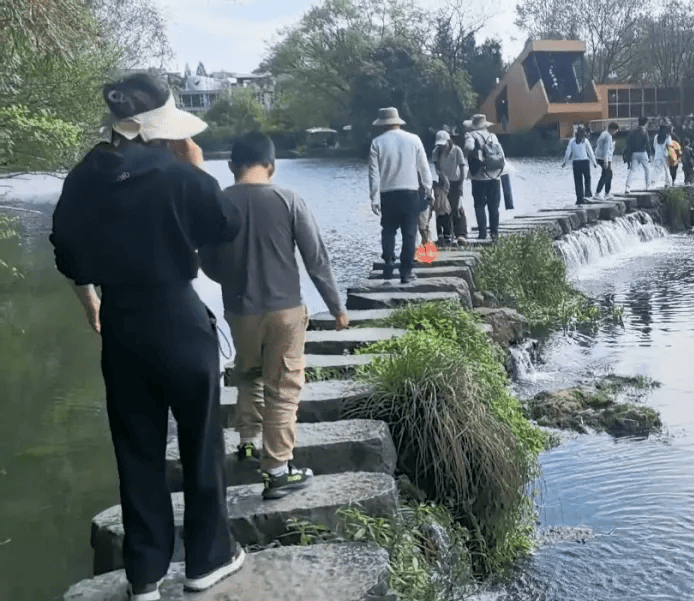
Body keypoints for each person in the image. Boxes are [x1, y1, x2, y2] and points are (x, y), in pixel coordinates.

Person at [50, 73, 245, 600]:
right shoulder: (177, 172)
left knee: (135, 449)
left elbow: (66, 253)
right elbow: (224, 223)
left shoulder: (82, 177)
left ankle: (144, 575)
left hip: (122, 323)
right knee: (201, 441)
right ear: (158, 124)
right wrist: (198, 170)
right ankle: (207, 560)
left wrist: (90, 298)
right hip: (178, 318)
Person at [198, 131, 347, 502]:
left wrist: (232, 281)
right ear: (272, 165)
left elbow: (206, 261)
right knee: (283, 387)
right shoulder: (289, 199)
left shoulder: (218, 204)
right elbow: (317, 259)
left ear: (232, 166)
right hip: (285, 310)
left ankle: (247, 441)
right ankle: (278, 471)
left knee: (247, 373)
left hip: (239, 311)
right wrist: (336, 307)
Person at [369, 107, 433, 282]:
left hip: (388, 194)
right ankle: (406, 272)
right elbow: (424, 168)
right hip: (410, 193)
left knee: (388, 231)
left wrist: (374, 198)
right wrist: (429, 189)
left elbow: (374, 174)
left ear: (382, 125)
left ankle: (389, 263)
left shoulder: (377, 143)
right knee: (409, 233)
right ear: (398, 122)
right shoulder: (414, 139)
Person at [463, 113, 505, 240]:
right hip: (495, 176)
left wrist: (469, 151)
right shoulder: (493, 136)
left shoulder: (470, 135)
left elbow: (468, 146)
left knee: (479, 205)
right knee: (494, 207)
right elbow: (502, 155)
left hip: (479, 177)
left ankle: (482, 233)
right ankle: (494, 233)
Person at [432, 130, 468, 244]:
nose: (442, 147)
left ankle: (461, 234)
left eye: (443, 144)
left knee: (457, 207)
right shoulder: (436, 152)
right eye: (440, 145)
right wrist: (444, 179)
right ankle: (446, 234)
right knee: (443, 208)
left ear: (448, 141)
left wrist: (461, 183)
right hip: (443, 182)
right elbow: (437, 169)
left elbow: (462, 167)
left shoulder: (456, 150)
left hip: (456, 181)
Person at [562, 126, 596, 205]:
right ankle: (587, 195)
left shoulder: (572, 141)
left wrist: (565, 162)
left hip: (576, 163)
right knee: (587, 179)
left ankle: (579, 199)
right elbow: (590, 152)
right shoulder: (585, 141)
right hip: (585, 162)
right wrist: (594, 163)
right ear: (584, 134)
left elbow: (568, 153)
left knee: (578, 182)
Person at [624, 116, 653, 192]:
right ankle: (647, 186)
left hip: (634, 153)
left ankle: (627, 187)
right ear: (645, 123)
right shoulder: (644, 132)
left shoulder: (632, 132)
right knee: (647, 169)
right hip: (643, 153)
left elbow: (628, 143)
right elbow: (647, 145)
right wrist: (649, 155)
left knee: (632, 170)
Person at [594, 121, 618, 199]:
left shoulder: (604, 133)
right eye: (615, 130)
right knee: (606, 175)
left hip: (599, 156)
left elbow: (598, 143)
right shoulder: (608, 136)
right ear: (611, 129)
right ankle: (598, 193)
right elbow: (606, 149)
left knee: (608, 174)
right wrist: (606, 161)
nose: (616, 132)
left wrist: (612, 146)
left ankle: (606, 193)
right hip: (603, 158)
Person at [653, 122, 673, 187]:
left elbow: (654, 145)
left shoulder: (656, 137)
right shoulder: (668, 137)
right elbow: (669, 147)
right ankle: (668, 183)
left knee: (656, 170)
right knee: (667, 170)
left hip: (657, 155)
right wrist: (671, 155)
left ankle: (653, 183)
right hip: (665, 155)